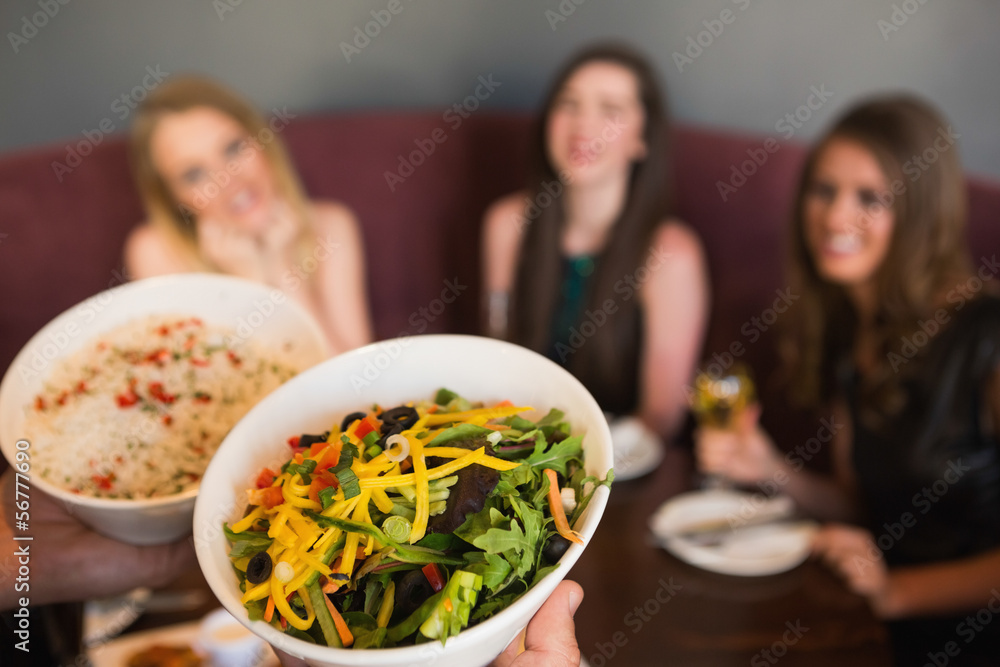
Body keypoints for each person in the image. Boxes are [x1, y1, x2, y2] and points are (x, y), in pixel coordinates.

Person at [696, 95, 1000, 665]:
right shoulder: (850, 330)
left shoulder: (987, 335)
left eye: (871, 198)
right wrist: (770, 470)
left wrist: (896, 592)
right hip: (874, 622)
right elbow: (864, 506)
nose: (835, 217)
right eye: (824, 190)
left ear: (921, 211)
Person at [481, 43, 709, 441]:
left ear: (643, 140)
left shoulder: (672, 255)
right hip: (515, 450)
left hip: (620, 464)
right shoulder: (506, 224)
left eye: (611, 110)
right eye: (568, 104)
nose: (583, 124)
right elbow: (494, 362)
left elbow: (661, 417)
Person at [124, 75, 372, 356]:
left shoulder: (332, 225)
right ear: (173, 199)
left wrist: (283, 270)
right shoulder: (156, 250)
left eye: (233, 148)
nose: (228, 180)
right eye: (194, 174)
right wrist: (248, 279)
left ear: (261, 140)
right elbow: (219, 391)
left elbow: (355, 382)